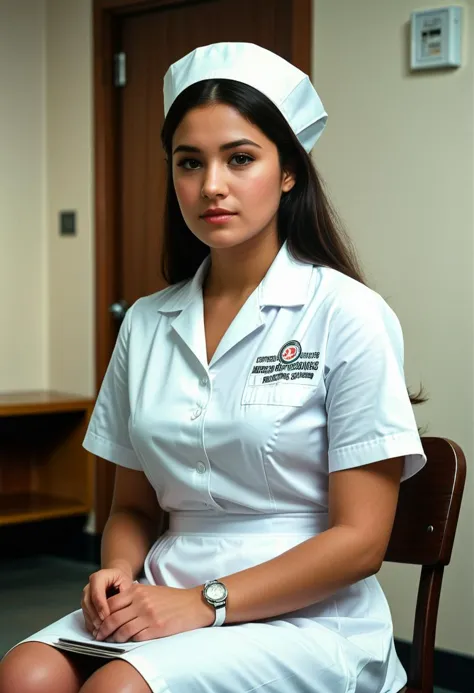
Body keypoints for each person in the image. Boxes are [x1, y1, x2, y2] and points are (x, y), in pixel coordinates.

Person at [0, 42, 427, 693]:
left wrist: (206, 601)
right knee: (25, 671)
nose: (212, 186)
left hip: (308, 617)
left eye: (241, 158)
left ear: (288, 172)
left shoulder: (348, 314)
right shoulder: (146, 322)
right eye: (190, 163)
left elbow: (361, 540)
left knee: (120, 687)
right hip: (165, 594)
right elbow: (135, 507)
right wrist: (118, 569)